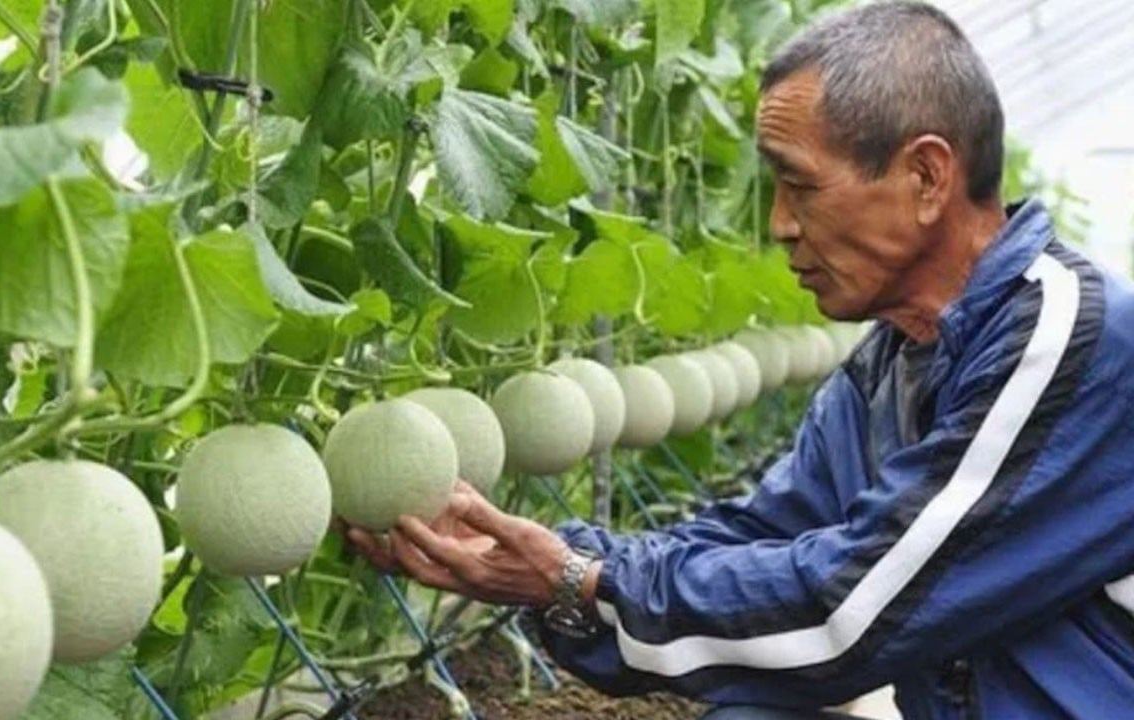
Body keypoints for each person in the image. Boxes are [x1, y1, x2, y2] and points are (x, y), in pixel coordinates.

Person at [347, 2, 1134, 718]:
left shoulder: (1065, 332)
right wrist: (547, 561)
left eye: (799, 185)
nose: (780, 223)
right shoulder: (887, 368)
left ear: (925, 178)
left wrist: (580, 580)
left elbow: (849, 616)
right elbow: (758, 539)